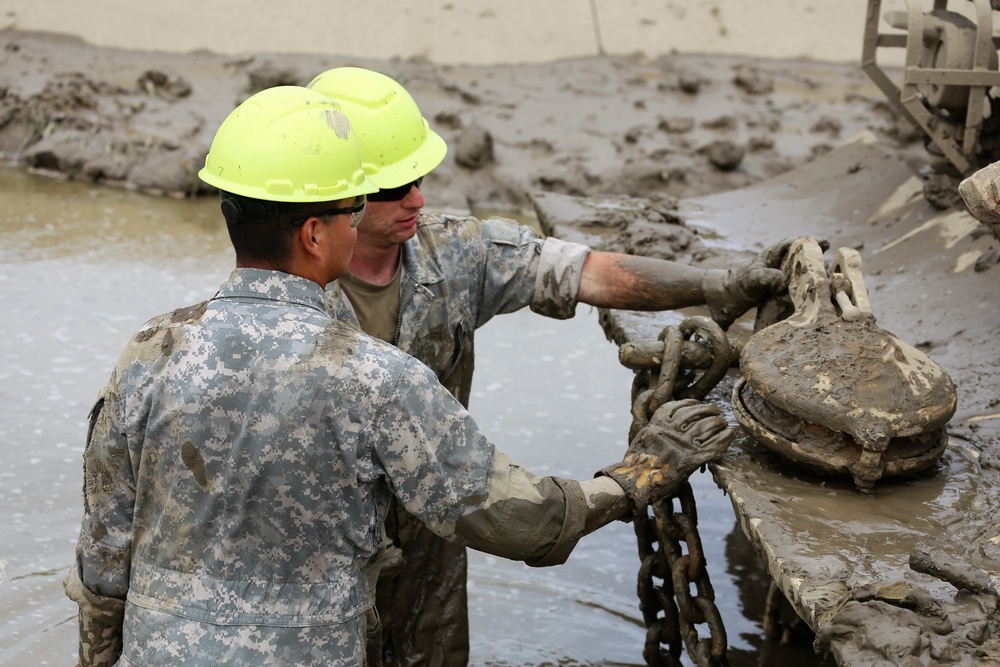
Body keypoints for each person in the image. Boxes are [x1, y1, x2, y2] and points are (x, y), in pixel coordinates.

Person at [63, 84, 736, 667]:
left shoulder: (147, 352)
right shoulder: (375, 378)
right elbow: (517, 515)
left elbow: (104, 553)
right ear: (315, 235)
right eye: (352, 209)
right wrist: (640, 473)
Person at [306, 66, 791, 667]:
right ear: (334, 196)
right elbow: (513, 515)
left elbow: (584, 271)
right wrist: (634, 477)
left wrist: (714, 284)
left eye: (420, 179)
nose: (417, 199)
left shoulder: (451, 253)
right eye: (393, 188)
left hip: (433, 536)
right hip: (325, 550)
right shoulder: (288, 305)